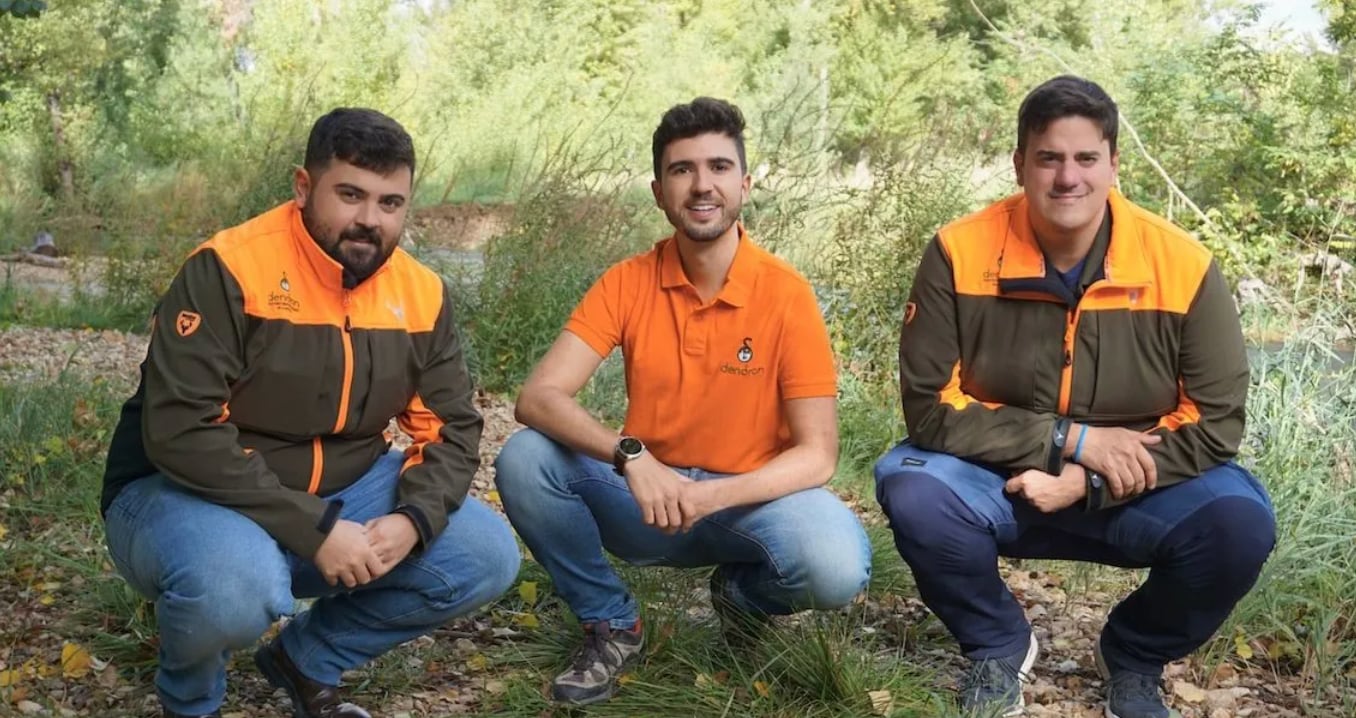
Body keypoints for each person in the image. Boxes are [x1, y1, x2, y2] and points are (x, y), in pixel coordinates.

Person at [873, 76, 1275, 718]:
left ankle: (1134, 656)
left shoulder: (1183, 264)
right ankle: (998, 645)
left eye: (1086, 158)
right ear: (1020, 164)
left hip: (1133, 484)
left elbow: (1216, 424)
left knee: (1239, 522)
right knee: (910, 484)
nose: (1068, 178)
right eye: (1049, 158)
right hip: (996, 479)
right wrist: (1068, 441)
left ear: (1114, 164)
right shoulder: (959, 250)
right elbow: (929, 406)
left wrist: (1086, 480)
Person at [100, 108, 520, 718]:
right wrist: (314, 530)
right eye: (350, 195)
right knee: (231, 588)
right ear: (304, 187)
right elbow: (181, 430)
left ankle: (306, 660)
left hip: (346, 489)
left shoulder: (422, 293)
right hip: (184, 492)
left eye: (389, 202)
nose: (369, 220)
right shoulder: (228, 267)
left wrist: (411, 519)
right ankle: (190, 701)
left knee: (485, 552)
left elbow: (452, 428)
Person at [493, 97, 872, 706]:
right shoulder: (627, 281)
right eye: (682, 170)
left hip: (749, 506)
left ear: (745, 184)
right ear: (658, 191)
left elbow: (818, 454)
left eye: (719, 167)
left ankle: (741, 599)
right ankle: (612, 621)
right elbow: (538, 396)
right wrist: (632, 457)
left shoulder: (786, 294)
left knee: (835, 564)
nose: (703, 186)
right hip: (647, 502)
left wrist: (710, 495)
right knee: (525, 457)